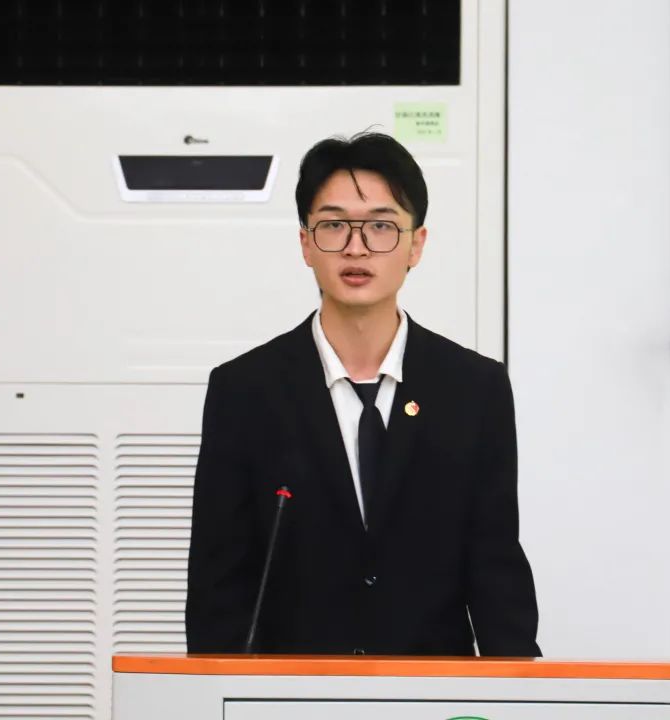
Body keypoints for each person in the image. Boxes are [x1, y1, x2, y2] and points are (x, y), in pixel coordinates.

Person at [186, 132, 540, 656]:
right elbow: (218, 584)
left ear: (416, 244)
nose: (357, 247)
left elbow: (496, 569)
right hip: (290, 690)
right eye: (334, 225)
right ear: (306, 243)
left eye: (380, 225)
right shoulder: (244, 391)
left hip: (432, 688)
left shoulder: (473, 389)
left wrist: (515, 686)